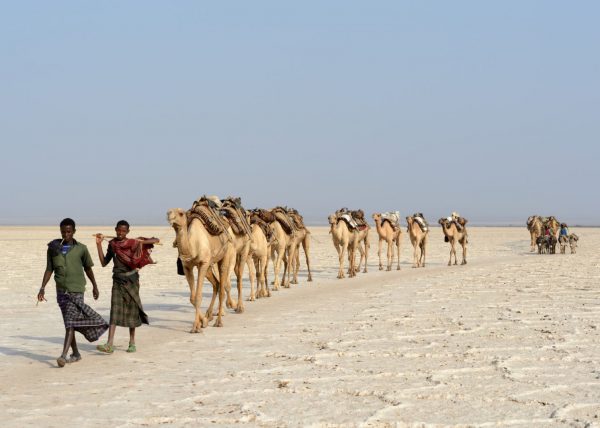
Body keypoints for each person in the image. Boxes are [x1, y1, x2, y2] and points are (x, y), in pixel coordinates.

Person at [37, 218, 108, 368]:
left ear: (74, 231)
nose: (66, 234)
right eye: (63, 231)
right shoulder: (53, 249)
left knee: (70, 323)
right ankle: (75, 353)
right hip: (61, 292)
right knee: (69, 323)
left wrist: (95, 285)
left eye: (69, 231)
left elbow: (88, 268)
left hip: (76, 290)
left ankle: (63, 356)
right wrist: (42, 287)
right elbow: (49, 269)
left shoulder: (81, 248)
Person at [95, 220, 158, 353]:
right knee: (114, 311)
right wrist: (99, 245)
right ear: (115, 229)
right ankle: (109, 344)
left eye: (124, 231)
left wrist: (141, 242)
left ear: (128, 232)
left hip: (132, 280)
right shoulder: (112, 244)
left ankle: (132, 342)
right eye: (119, 230)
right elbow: (103, 262)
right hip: (117, 281)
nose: (120, 233)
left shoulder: (133, 243)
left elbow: (156, 239)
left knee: (132, 311)